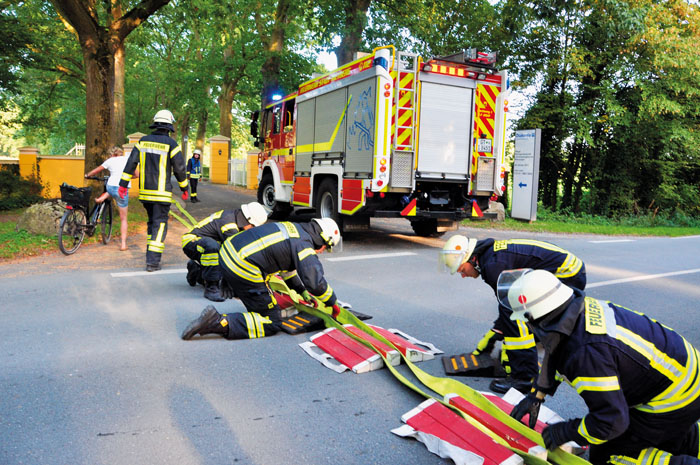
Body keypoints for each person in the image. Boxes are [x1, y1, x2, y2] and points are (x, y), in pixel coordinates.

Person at [501, 269, 700, 465]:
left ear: (535, 319)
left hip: (675, 398)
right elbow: (557, 347)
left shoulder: (585, 354)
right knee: (654, 431)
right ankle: (687, 440)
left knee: (606, 454)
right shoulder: (578, 309)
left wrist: (567, 431)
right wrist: (537, 394)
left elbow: (611, 420)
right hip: (683, 375)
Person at [439, 236, 586, 394]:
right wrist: (497, 332)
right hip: (568, 268)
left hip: (568, 274)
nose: (463, 275)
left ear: (471, 259)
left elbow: (511, 309)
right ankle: (528, 355)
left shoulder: (493, 266)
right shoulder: (490, 257)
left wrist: (508, 338)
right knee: (515, 312)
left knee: (515, 316)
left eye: (462, 269)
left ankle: (524, 377)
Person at [181, 218, 342, 341]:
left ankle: (197, 273)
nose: (321, 252)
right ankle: (218, 322)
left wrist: (301, 291)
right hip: (241, 265)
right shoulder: (304, 244)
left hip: (227, 255)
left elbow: (287, 269)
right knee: (272, 322)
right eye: (325, 248)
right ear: (322, 239)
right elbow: (315, 282)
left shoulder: (295, 229)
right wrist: (332, 302)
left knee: (262, 300)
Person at [118, 109, 189, 272]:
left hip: (145, 193)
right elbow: (179, 169)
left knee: (152, 223)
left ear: (156, 124)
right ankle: (153, 262)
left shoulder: (143, 142)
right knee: (160, 225)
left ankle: (151, 256)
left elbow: (131, 163)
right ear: (169, 127)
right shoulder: (171, 144)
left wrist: (123, 184)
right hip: (162, 194)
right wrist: (185, 188)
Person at [182, 202, 269, 302]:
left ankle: (196, 269)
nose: (252, 229)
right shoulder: (229, 225)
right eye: (253, 226)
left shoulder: (235, 217)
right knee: (214, 247)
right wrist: (229, 282)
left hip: (203, 244)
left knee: (216, 247)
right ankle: (211, 288)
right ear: (248, 221)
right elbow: (235, 254)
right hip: (191, 241)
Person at [85, 146, 138, 251]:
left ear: (112, 154)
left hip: (111, 187)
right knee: (124, 219)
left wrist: (87, 175)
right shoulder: (128, 160)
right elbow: (137, 175)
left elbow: (97, 170)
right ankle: (123, 244)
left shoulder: (110, 160)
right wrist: (126, 177)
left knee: (110, 190)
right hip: (122, 189)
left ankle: (103, 197)